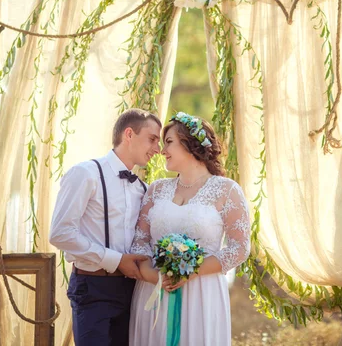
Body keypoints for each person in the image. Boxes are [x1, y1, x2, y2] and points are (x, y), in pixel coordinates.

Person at [129, 111, 251, 346]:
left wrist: (191, 272)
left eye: (169, 142)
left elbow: (239, 247)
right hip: (154, 293)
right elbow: (139, 242)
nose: (162, 151)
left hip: (202, 294)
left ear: (191, 144)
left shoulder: (226, 190)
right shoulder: (156, 189)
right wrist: (157, 277)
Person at [49, 108, 161, 345]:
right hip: (93, 288)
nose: (157, 149)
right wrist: (116, 260)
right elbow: (60, 233)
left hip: (133, 291)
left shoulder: (143, 189)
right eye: (152, 139)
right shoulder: (85, 173)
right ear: (129, 134)